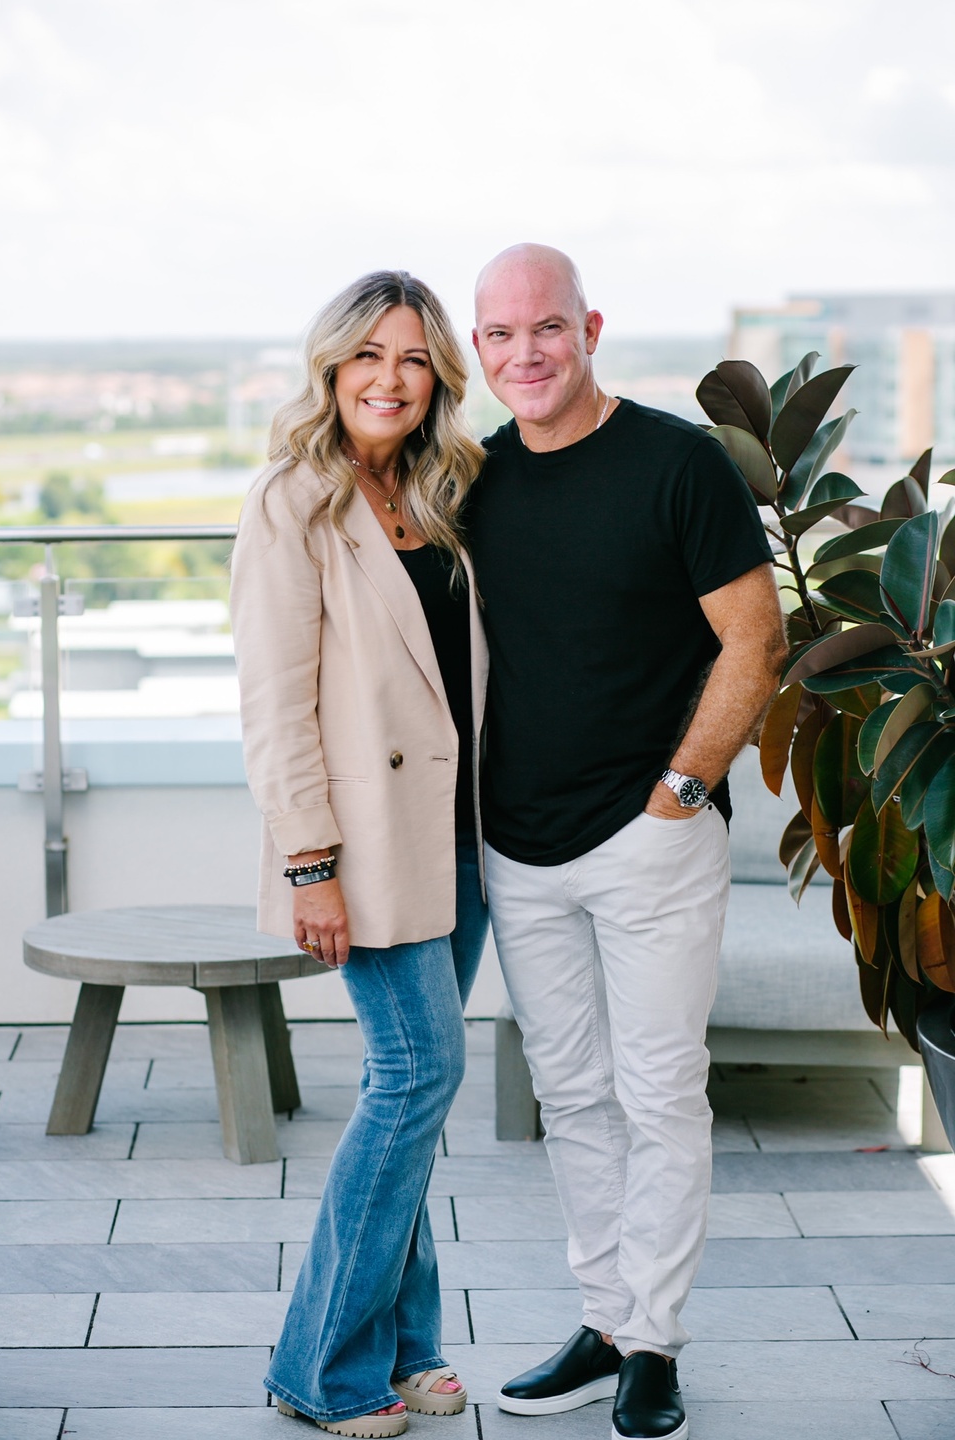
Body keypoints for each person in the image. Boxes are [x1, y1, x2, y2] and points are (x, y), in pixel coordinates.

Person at [466, 244, 787, 1440]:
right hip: (518, 845)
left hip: (651, 839)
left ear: (590, 329)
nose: (527, 353)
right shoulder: (476, 480)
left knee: (659, 1094)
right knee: (574, 1096)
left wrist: (680, 792)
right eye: (501, 335)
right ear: (479, 350)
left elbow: (755, 639)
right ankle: (604, 1321)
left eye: (547, 327)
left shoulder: (677, 464)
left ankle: (654, 1342)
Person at [230, 270, 488, 1439]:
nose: (391, 378)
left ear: (438, 375)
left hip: (464, 832)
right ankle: (320, 1364)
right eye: (370, 356)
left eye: (414, 357)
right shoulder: (293, 500)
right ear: (332, 368)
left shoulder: (445, 491)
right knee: (416, 1076)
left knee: (417, 1096)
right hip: (368, 842)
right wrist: (309, 863)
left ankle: (409, 1343)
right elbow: (275, 705)